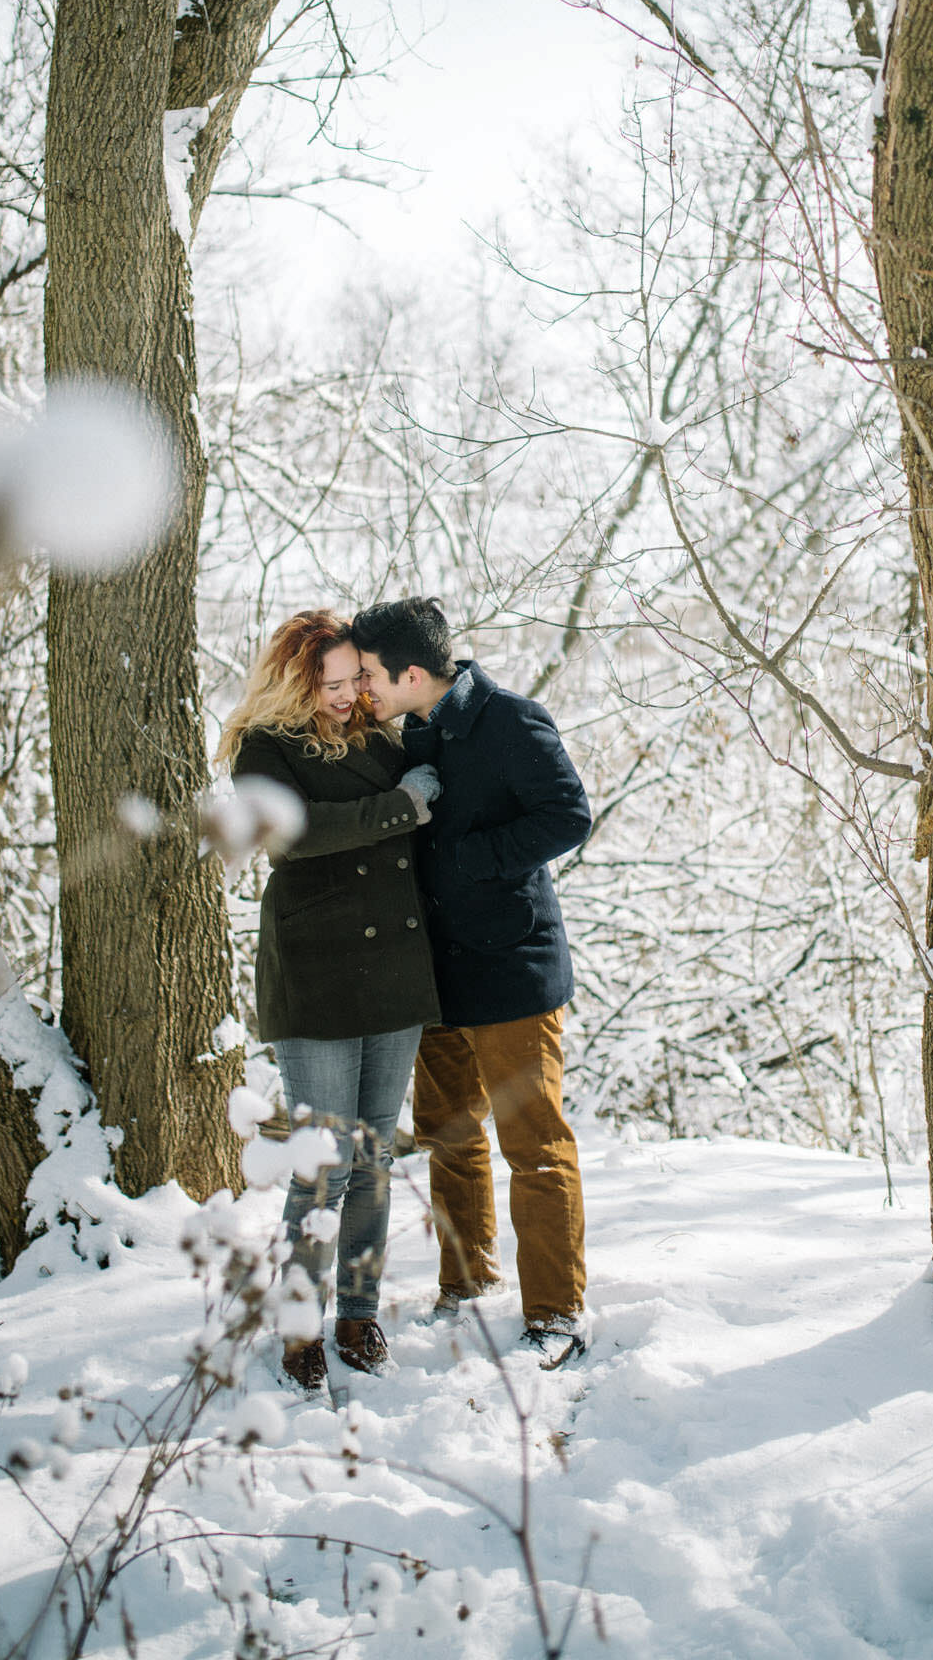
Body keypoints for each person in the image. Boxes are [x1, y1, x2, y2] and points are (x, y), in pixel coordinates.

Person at [350, 597, 592, 1363]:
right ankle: (465, 1284)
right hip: (435, 976)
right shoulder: (403, 734)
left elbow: (567, 816)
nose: (363, 691)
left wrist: (468, 861)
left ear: (412, 672)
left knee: (535, 1145)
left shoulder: (512, 721)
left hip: (512, 968)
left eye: (369, 677)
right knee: (450, 1137)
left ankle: (555, 1315)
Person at [219, 609, 443, 1393]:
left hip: (394, 967)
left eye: (356, 680)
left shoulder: (382, 735)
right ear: (294, 679)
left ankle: (358, 1309)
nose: (348, 696)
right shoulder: (262, 747)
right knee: (324, 1165)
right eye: (332, 683)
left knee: (375, 1154)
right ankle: (297, 1320)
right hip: (315, 971)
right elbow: (292, 834)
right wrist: (399, 808)